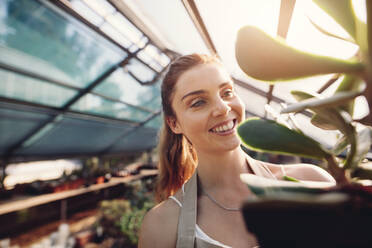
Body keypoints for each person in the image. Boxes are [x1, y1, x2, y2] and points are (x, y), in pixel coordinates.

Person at [138, 54, 335, 248]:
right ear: (174, 123)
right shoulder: (161, 226)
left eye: (227, 92)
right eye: (198, 102)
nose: (223, 108)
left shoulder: (313, 182)